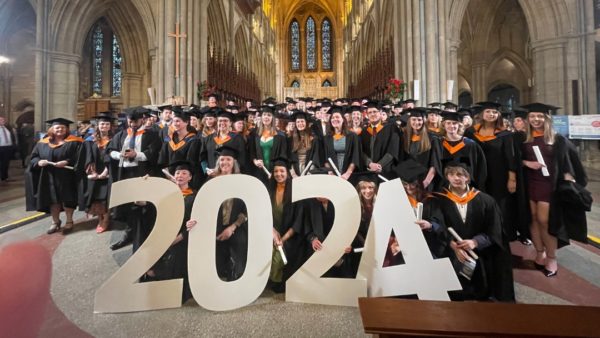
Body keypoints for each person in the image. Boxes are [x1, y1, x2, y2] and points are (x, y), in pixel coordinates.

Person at [520, 103, 588, 277]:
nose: (536, 119)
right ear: (528, 118)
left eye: (540, 116)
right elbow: (517, 159)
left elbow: (568, 162)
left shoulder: (557, 139)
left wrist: (569, 178)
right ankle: (539, 252)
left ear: (547, 119)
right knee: (532, 219)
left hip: (549, 184)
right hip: (529, 182)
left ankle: (551, 257)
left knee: (544, 220)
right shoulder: (523, 138)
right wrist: (527, 163)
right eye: (533, 116)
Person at [435, 163, 515, 302]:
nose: (455, 178)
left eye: (460, 174)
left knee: (481, 290)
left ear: (468, 177)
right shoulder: (438, 200)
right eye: (451, 174)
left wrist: (475, 242)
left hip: (479, 255)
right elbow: (437, 227)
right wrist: (452, 245)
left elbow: (495, 231)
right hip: (450, 254)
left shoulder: (486, 201)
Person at [464, 102, 523, 242]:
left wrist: (512, 179)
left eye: (494, 112)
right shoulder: (471, 132)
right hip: (478, 175)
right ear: (482, 114)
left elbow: (511, 158)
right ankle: (481, 236)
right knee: (479, 204)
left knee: (500, 206)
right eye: (488, 111)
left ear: (498, 115)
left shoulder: (505, 135)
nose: (491, 114)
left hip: (499, 176)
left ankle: (500, 235)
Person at [105, 109, 161, 251]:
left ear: (142, 120)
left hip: (142, 175)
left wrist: (137, 154)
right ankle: (129, 234)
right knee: (128, 206)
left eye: (135, 121)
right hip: (124, 174)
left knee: (143, 206)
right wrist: (120, 155)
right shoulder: (122, 135)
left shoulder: (151, 135)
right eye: (130, 121)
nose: (132, 124)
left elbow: (153, 153)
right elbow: (110, 150)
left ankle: (146, 235)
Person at [25, 118, 83, 234]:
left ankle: (69, 221)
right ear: (52, 129)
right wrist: (38, 162)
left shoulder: (75, 142)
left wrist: (67, 162)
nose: (60, 129)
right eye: (57, 127)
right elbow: (34, 157)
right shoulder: (42, 143)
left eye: (63, 127)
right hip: (48, 176)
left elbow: (80, 157)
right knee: (52, 200)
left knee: (68, 199)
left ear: (67, 129)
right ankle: (55, 221)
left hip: (67, 175)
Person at [150, 161, 196, 302]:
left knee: (177, 257)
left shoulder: (194, 197)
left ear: (190, 178)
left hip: (184, 238)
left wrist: (181, 237)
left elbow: (196, 223)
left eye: (184, 173)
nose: (180, 175)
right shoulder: (166, 195)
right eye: (177, 173)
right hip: (164, 235)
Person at [267, 158, 304, 292]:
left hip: (290, 235)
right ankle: (270, 280)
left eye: (282, 171)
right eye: (275, 171)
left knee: (278, 257)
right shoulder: (269, 190)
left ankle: (278, 282)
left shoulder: (295, 191)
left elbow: (298, 221)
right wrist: (272, 232)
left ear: (287, 173)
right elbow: (264, 214)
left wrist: (282, 239)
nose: (278, 174)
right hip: (270, 232)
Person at [211, 146, 249, 281]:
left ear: (234, 162)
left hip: (236, 226)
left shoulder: (241, 182)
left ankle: (237, 278)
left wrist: (232, 227)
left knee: (240, 242)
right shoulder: (211, 182)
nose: (225, 162)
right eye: (222, 159)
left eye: (228, 159)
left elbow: (246, 210)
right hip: (215, 227)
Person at [438, 111, 487, 191]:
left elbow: (480, 167)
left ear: (459, 125)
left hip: (466, 188)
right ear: (444, 125)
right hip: (442, 188)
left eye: (454, 123)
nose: (451, 126)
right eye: (448, 123)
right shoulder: (438, 144)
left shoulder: (470, 145)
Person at [83, 112, 115, 233]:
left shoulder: (114, 139)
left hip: (109, 173)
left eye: (107, 124)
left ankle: (105, 219)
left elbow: (114, 157)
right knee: (95, 197)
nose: (104, 126)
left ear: (110, 126)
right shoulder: (90, 140)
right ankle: (100, 218)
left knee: (106, 197)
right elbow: (86, 157)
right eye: (102, 124)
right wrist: (93, 171)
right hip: (95, 174)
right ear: (98, 125)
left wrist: (106, 172)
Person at [401, 108, 441, 189]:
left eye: (419, 120)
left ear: (424, 121)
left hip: (425, 181)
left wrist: (426, 182)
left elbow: (434, 164)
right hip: (409, 181)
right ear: (409, 121)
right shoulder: (405, 137)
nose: (416, 122)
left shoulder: (433, 138)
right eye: (414, 119)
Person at [359, 100, 400, 179]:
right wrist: (370, 164)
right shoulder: (364, 131)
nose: (372, 114)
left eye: (375, 111)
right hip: (368, 171)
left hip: (386, 171)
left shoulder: (391, 129)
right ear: (367, 115)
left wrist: (379, 165)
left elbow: (393, 150)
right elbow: (361, 151)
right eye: (370, 112)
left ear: (380, 112)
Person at [250, 106, 287, 183]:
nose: (266, 117)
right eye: (264, 115)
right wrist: (255, 161)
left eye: (269, 115)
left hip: (274, 171)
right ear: (261, 117)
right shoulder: (255, 133)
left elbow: (283, 154)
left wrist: (276, 171)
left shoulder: (280, 135)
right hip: (259, 170)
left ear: (272, 118)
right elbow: (251, 151)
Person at [322, 106, 361, 181]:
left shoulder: (352, 136)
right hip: (332, 174)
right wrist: (330, 172)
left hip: (349, 174)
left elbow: (355, 156)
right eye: (333, 118)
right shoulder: (327, 138)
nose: (335, 119)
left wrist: (348, 173)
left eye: (337, 117)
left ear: (343, 119)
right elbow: (325, 157)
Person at [288, 110, 319, 177]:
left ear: (306, 123)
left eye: (302, 121)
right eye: (298, 122)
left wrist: (310, 171)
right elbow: (289, 158)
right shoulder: (291, 139)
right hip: (295, 170)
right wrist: (293, 174)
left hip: (309, 170)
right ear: (295, 124)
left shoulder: (313, 139)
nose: (300, 124)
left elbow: (315, 157)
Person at [0, 116, 16, 182]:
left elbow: (12, 137)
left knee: (6, 163)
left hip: (8, 147)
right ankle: (2, 176)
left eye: (3, 120)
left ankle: (5, 177)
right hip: (1, 147)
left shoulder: (7, 128)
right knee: (1, 163)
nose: (3, 121)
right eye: (1, 120)